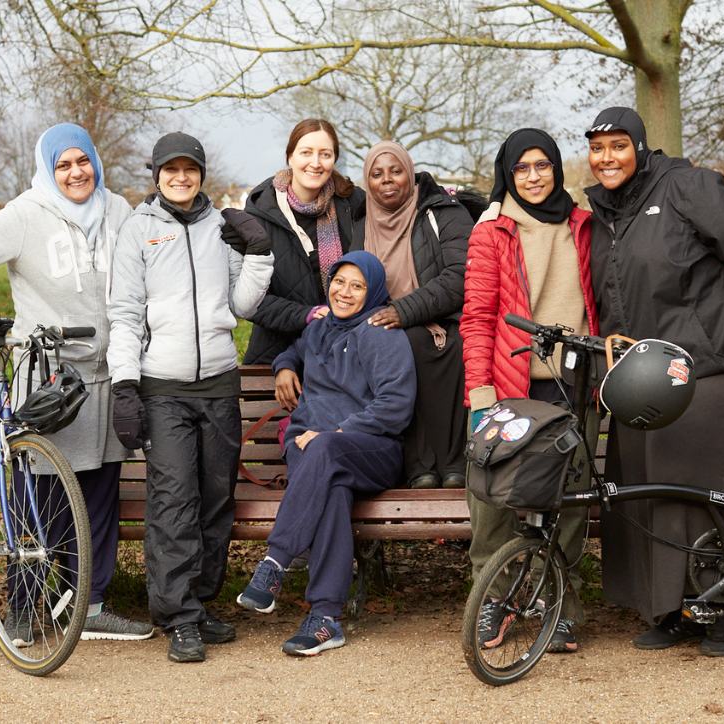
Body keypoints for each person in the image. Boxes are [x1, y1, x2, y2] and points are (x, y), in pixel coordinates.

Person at [0, 123, 154, 644]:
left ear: (95, 162)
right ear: (47, 170)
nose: (75, 173)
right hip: (48, 381)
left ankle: (91, 605)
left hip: (110, 376)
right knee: (33, 495)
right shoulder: (25, 215)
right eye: (62, 165)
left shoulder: (120, 211)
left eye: (82, 161)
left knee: (99, 493)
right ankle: (21, 606)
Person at [584, 107, 724, 657]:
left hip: (711, 363)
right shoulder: (603, 213)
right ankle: (671, 609)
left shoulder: (687, 186)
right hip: (646, 376)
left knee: (712, 491)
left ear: (641, 148)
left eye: (618, 145)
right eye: (597, 148)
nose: (607, 158)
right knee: (651, 492)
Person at [106, 132, 274, 663]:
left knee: (215, 497)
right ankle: (177, 615)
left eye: (190, 169)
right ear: (156, 175)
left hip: (221, 381)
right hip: (163, 388)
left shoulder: (220, 226)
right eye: (170, 170)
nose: (181, 178)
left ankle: (198, 604)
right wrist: (125, 386)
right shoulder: (138, 230)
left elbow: (242, 305)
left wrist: (260, 253)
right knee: (174, 500)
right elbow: (126, 315)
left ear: (201, 173)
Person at [460, 128, 599, 654]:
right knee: (492, 498)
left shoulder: (584, 225)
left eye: (543, 165)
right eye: (522, 168)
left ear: (557, 169)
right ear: (508, 174)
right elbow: (476, 318)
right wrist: (481, 392)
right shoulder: (491, 232)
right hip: (508, 384)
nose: (534, 176)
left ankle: (558, 600)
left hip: (573, 384)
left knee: (568, 498)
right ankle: (494, 597)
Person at [236, 251, 416, 656]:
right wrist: (284, 365)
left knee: (326, 451)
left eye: (357, 286)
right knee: (332, 490)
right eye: (339, 282)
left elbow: (396, 405)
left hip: (372, 450)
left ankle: (275, 563)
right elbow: (295, 351)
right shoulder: (319, 330)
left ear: (372, 294)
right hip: (312, 448)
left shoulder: (381, 333)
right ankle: (326, 618)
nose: (345, 292)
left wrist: (338, 431)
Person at [354, 141, 472, 489]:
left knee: (448, 346)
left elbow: (460, 275)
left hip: (445, 317)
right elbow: (352, 279)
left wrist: (404, 311)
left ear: (411, 173)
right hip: (385, 323)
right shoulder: (359, 222)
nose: (387, 180)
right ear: (367, 181)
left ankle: (455, 463)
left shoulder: (444, 211)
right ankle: (419, 467)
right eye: (376, 174)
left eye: (396, 171)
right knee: (399, 346)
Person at [242, 119, 365, 365]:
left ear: (334, 159)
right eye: (306, 152)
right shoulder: (259, 213)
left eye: (325, 154)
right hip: (276, 351)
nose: (315, 163)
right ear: (290, 157)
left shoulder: (355, 204)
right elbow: (250, 299)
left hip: (344, 350)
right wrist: (307, 315)